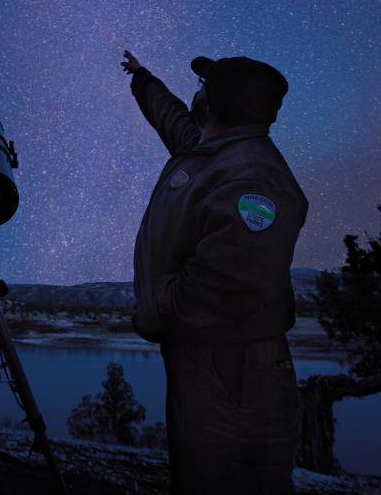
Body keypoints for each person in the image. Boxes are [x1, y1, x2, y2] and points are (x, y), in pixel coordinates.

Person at [120, 49, 308, 495]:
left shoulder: (252, 176)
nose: (196, 91)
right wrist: (142, 77)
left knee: (230, 479)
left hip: (233, 366)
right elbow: (171, 117)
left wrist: (161, 307)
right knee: (197, 473)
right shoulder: (209, 148)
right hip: (203, 353)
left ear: (220, 101)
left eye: (204, 86)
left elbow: (227, 283)